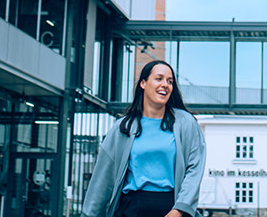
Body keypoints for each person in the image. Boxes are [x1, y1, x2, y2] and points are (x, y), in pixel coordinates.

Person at [82, 60, 207, 217]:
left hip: (171, 207)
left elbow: (194, 168)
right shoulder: (123, 127)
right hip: (131, 208)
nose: (165, 85)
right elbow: (102, 180)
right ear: (143, 83)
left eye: (170, 81)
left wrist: (181, 208)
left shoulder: (186, 122)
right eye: (159, 78)